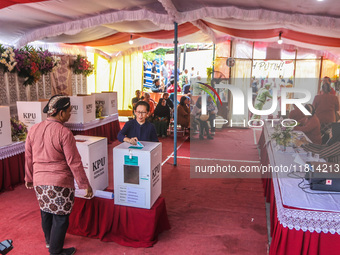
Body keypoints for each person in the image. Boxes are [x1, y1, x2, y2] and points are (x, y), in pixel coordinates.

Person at [25, 95, 93, 255]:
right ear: (61, 113)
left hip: (39, 181)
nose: (70, 114)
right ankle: (56, 251)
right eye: (69, 111)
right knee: (61, 217)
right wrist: (84, 184)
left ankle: (50, 241)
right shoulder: (64, 132)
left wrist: (29, 178)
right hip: (59, 181)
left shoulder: (33, 129)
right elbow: (74, 162)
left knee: (46, 211)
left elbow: (28, 156)